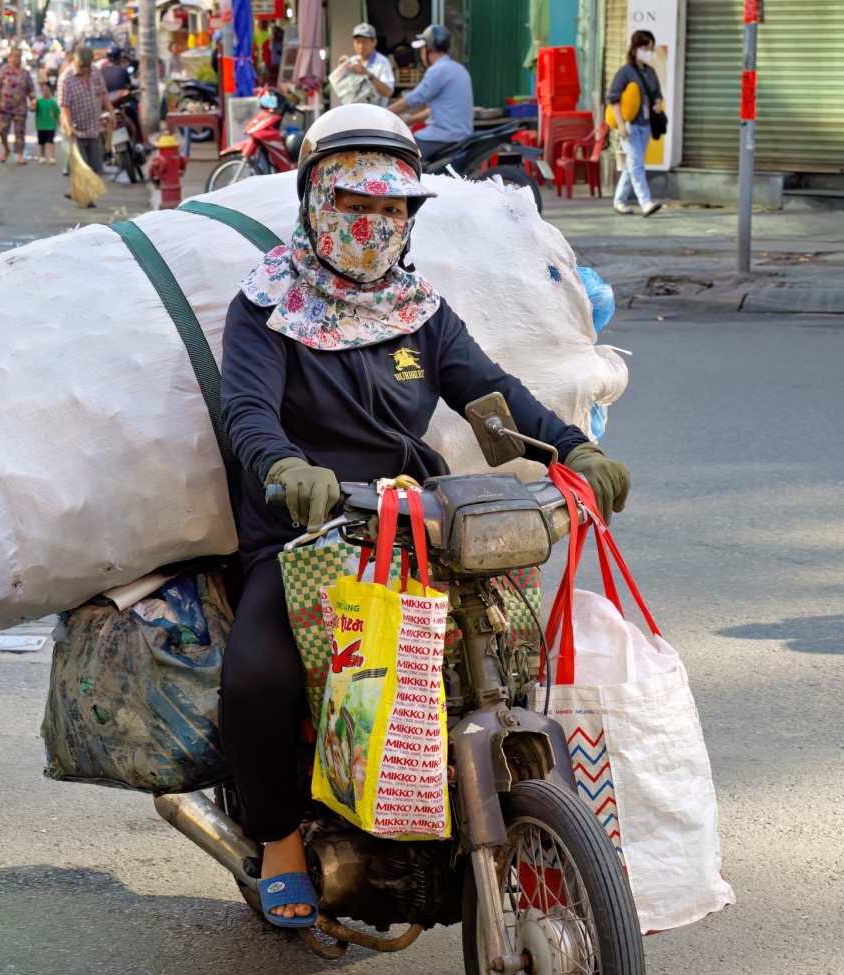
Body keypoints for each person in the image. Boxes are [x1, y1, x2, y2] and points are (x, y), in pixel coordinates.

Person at [217, 105, 631, 925]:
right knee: (261, 676)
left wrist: (569, 448)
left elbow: (492, 399)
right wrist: (286, 467)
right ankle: (279, 841)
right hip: (308, 531)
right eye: (355, 206)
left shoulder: (419, 311)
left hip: (416, 523)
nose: (374, 225)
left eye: (391, 209)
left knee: (508, 657)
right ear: (313, 202)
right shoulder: (266, 308)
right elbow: (247, 415)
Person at [388, 24, 472, 163]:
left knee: (398, 157)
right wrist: (409, 119)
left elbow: (414, 99)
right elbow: (436, 109)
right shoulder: (458, 69)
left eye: (422, 47)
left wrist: (383, 112)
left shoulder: (438, 70)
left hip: (443, 136)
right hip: (460, 135)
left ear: (428, 48)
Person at [607, 30, 664, 217]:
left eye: (650, 48)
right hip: (629, 126)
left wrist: (657, 104)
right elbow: (613, 99)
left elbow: (657, 95)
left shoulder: (650, 72)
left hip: (645, 125)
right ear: (636, 47)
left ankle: (619, 201)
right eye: (645, 47)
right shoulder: (625, 72)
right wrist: (621, 125)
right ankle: (646, 202)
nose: (648, 51)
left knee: (633, 164)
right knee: (637, 164)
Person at [57, 43, 114, 183]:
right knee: (80, 168)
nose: (85, 69)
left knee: (95, 167)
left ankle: (76, 192)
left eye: (87, 66)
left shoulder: (94, 72)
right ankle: (85, 198)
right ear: (74, 61)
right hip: (76, 131)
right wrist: (68, 126)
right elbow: (64, 107)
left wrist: (111, 112)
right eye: (81, 66)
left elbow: (103, 93)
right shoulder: (66, 79)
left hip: (94, 128)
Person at [328, 22, 394, 107]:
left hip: (375, 113)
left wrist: (367, 74)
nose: (361, 46)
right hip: (354, 111)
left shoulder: (382, 62)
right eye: (357, 42)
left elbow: (389, 92)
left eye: (365, 42)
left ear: (374, 42)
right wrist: (342, 68)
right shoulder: (353, 60)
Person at [0, 44, 35, 164]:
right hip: (5, 107)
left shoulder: (25, 73)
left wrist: (33, 102)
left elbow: (31, 90)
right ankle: (6, 149)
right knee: (2, 131)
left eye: (19, 56)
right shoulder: (4, 70)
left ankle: (20, 155)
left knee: (20, 132)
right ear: (10, 57)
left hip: (20, 108)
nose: (17, 58)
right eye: (15, 56)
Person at [34, 79, 59, 164]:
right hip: (41, 125)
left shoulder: (53, 102)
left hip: (51, 125)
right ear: (40, 91)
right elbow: (33, 109)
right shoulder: (38, 102)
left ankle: (52, 157)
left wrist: (60, 123)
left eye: (47, 90)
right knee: (42, 142)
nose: (45, 92)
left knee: (50, 141)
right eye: (43, 90)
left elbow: (57, 114)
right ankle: (42, 156)